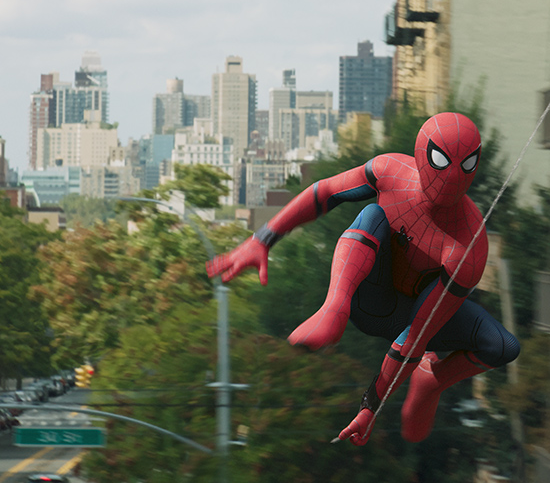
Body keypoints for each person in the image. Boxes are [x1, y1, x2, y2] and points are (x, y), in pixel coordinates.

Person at [207, 112, 519, 444]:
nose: (453, 177)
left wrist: (371, 405)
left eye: (466, 165)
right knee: (372, 214)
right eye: (441, 161)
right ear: (421, 153)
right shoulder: (390, 172)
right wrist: (262, 238)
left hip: (413, 323)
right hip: (369, 298)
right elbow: (324, 192)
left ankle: (433, 380)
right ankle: (333, 308)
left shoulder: (467, 248)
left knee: (502, 346)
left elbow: (416, 335)